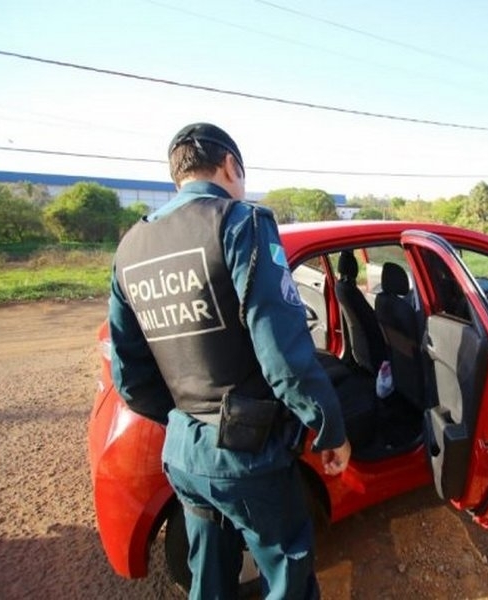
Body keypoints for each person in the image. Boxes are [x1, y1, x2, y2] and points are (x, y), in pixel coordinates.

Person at [108, 122, 350, 599]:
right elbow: (284, 355)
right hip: (247, 456)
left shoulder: (130, 246)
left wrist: (188, 421)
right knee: (288, 574)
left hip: (184, 453)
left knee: (210, 578)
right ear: (230, 165)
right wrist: (329, 428)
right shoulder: (240, 223)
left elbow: (129, 375)